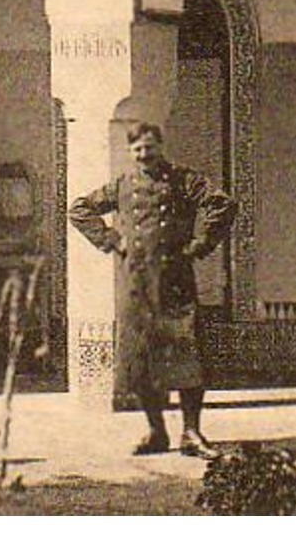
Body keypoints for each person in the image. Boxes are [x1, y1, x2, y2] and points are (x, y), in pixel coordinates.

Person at [70, 121, 235, 459]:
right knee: (142, 359)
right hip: (137, 284)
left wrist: (200, 244)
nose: (145, 155)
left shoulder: (183, 180)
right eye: (138, 150)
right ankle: (156, 431)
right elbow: (79, 210)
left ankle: (191, 433)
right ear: (131, 153)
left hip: (175, 281)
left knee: (187, 356)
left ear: (161, 145)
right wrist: (112, 239)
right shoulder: (120, 186)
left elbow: (222, 204)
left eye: (150, 147)